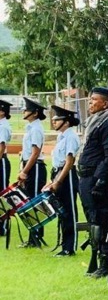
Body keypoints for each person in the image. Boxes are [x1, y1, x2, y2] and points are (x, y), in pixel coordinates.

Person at [77, 88, 108, 273]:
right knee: (93, 221)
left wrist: (100, 180)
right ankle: (97, 257)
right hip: (85, 177)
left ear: (105, 104)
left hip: (97, 178)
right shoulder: (93, 123)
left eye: (94, 100)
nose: (90, 102)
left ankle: (107, 262)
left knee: (102, 220)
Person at [45, 105, 80, 256]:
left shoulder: (70, 137)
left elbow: (69, 161)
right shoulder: (61, 136)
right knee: (61, 210)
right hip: (57, 174)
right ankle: (64, 244)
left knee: (69, 210)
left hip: (67, 176)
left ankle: (69, 246)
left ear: (66, 122)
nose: (54, 122)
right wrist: (52, 180)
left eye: (57, 120)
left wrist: (58, 181)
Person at [18, 98, 47, 247]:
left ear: (35, 113)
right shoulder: (30, 128)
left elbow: (35, 153)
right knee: (29, 202)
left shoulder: (36, 129)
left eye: (27, 110)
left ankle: (36, 237)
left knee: (35, 202)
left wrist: (24, 171)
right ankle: (32, 237)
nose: (24, 111)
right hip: (29, 166)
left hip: (35, 167)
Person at [0, 100, 11, 237]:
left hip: (1, 160)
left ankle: (2, 226)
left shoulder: (2, 126)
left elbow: (1, 146)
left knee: (2, 193)